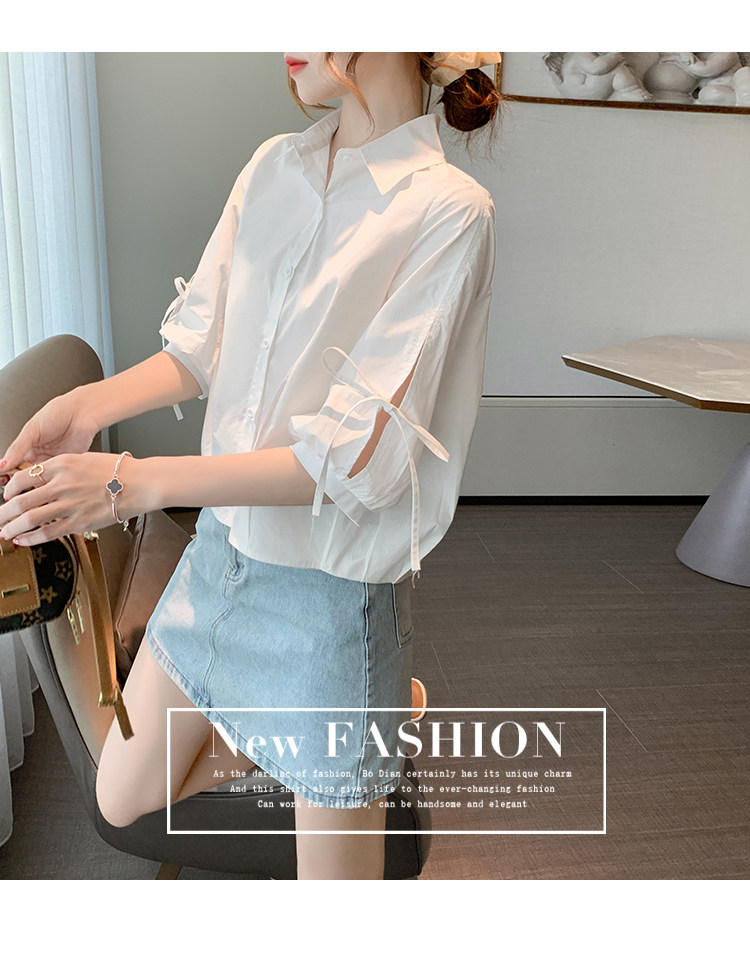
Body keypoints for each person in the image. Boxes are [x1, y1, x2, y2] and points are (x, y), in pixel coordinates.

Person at [0, 52, 500, 879]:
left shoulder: (449, 212)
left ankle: (364, 716)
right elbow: (200, 344)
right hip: (219, 565)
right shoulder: (275, 166)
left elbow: (348, 463)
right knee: (120, 794)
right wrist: (84, 408)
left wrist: (132, 483)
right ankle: (364, 723)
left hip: (327, 602)